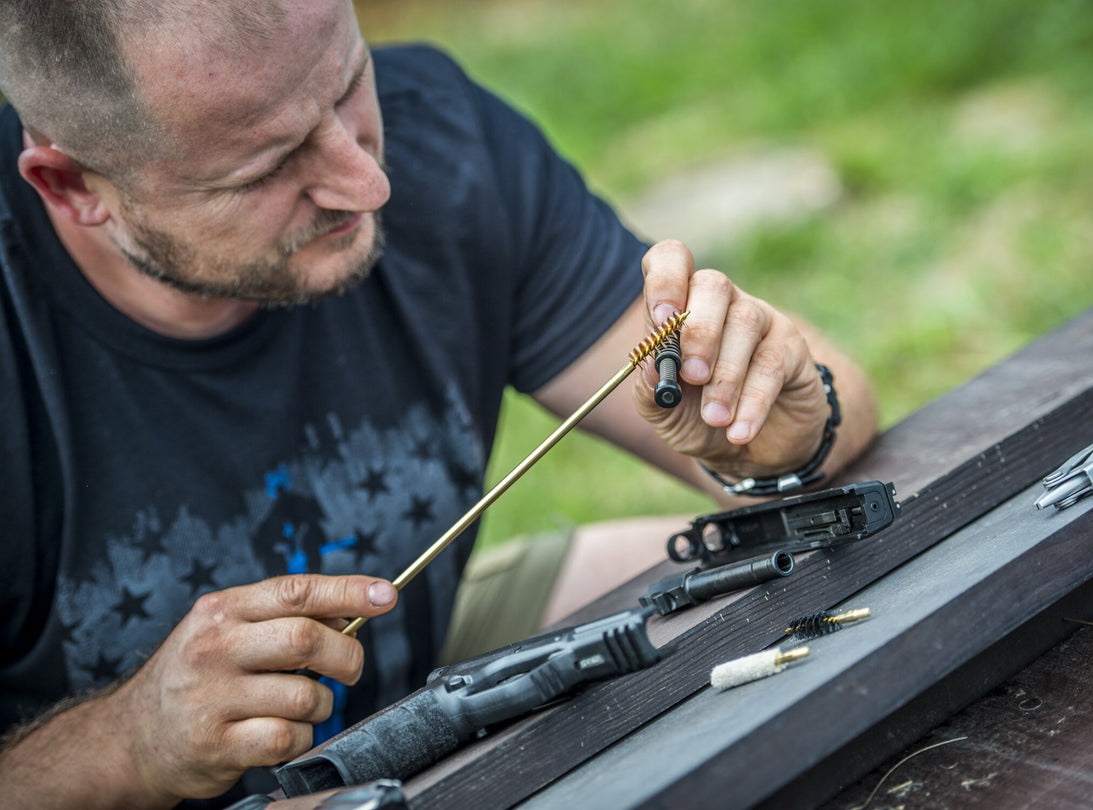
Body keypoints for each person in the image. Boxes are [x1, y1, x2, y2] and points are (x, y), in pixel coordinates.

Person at [0, 1, 877, 807]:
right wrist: (123, 745)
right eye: (265, 167)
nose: (366, 183)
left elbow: (831, 408)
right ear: (74, 188)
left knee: (747, 590)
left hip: (422, 673)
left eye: (348, 86)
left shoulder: (441, 139)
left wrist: (779, 434)